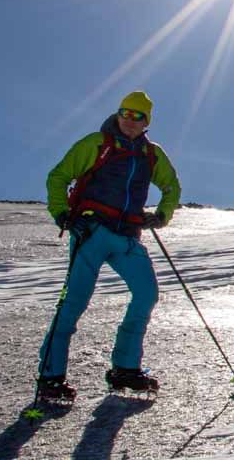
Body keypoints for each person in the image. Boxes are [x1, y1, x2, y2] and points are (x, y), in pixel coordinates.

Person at [36, 90, 181, 401]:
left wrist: (162, 215)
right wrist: (61, 213)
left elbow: (171, 185)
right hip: (91, 231)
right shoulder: (96, 143)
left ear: (147, 122)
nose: (130, 120)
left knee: (147, 294)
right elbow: (59, 177)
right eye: (125, 113)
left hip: (127, 236)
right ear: (118, 114)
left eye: (138, 115)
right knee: (74, 302)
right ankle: (51, 376)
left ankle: (125, 369)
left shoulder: (151, 154)